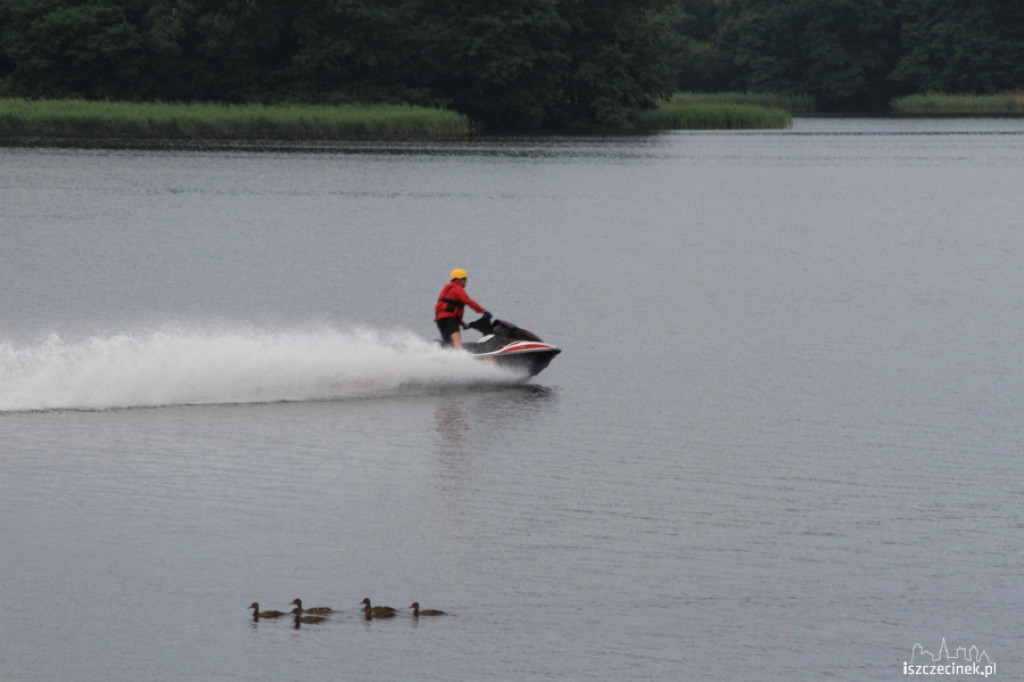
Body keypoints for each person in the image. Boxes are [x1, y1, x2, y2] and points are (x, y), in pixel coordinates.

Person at [435, 268, 489, 349]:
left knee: (449, 344)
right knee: (457, 340)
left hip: (440, 320)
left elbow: (451, 310)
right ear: (459, 280)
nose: (466, 281)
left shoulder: (448, 289)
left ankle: (449, 355)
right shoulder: (457, 288)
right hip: (449, 319)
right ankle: (460, 354)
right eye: (465, 279)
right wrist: (483, 311)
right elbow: (468, 301)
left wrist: (462, 323)